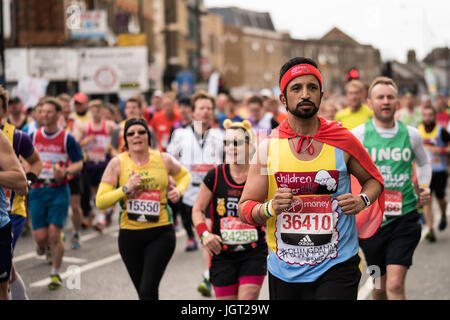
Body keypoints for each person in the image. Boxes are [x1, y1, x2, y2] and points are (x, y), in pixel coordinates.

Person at [238, 57, 384, 300]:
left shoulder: (342, 140)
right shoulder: (268, 149)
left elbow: (374, 181)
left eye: (312, 87)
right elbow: (245, 209)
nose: (305, 94)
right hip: (285, 271)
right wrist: (270, 207)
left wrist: (362, 201)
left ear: (321, 95)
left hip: (337, 265)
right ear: (283, 99)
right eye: (296, 88)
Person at [352, 76, 432, 300]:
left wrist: (424, 186)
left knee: (395, 285)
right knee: (379, 288)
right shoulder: (358, 135)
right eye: (380, 97)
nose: (385, 101)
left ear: (397, 102)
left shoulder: (411, 134)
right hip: (372, 224)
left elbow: (424, 163)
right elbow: (343, 170)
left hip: (404, 218)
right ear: (370, 103)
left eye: (390, 97)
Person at [95, 118, 190, 300]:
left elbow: (184, 176)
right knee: (145, 294)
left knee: (147, 290)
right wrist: (125, 188)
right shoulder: (117, 163)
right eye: (131, 133)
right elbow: (101, 201)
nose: (136, 136)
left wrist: (178, 190)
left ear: (149, 136)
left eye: (141, 132)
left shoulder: (163, 159)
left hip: (161, 232)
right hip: (130, 236)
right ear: (125, 140)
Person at [192, 119, 267, 300]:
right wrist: (205, 235)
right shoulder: (215, 175)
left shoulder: (261, 175)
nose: (232, 148)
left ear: (249, 146)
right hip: (222, 254)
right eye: (227, 143)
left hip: (254, 252)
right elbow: (197, 210)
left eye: (237, 143)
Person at [167, 90, 224, 296]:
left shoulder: (220, 136)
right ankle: (211, 272)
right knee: (204, 237)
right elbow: (170, 163)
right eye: (201, 108)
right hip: (189, 195)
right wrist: (172, 180)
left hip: (213, 195)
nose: (206, 111)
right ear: (192, 113)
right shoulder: (180, 135)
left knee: (208, 234)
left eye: (209, 108)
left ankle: (208, 276)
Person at [29, 97, 84, 290]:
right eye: (42, 111)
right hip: (37, 191)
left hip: (58, 189)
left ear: (58, 114)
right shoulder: (33, 136)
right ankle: (46, 244)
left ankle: (55, 273)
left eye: (49, 112)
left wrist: (66, 172)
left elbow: (79, 162)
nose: (45, 115)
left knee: (54, 234)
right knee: (40, 237)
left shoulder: (67, 137)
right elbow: (23, 159)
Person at [0, 86, 42, 299]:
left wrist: (28, 181)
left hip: (12, 211)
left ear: (3, 111)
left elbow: (35, 162)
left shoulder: (16, 137)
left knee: (5, 269)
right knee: (9, 266)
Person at [76, 99, 116, 232]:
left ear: (102, 112)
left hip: (104, 162)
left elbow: (116, 141)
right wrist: (88, 140)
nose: (95, 114)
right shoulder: (85, 127)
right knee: (94, 193)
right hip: (91, 163)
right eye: (93, 111)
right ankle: (101, 212)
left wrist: (112, 149)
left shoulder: (109, 125)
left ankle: (101, 218)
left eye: (98, 111)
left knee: (102, 191)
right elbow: (77, 143)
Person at [418, 105, 450, 242]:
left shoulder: (441, 131)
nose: (428, 118)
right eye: (425, 115)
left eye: (430, 115)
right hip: (424, 172)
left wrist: (441, 150)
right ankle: (430, 229)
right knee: (427, 200)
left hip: (440, 170)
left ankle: (443, 214)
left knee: (441, 199)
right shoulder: (417, 131)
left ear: (434, 116)